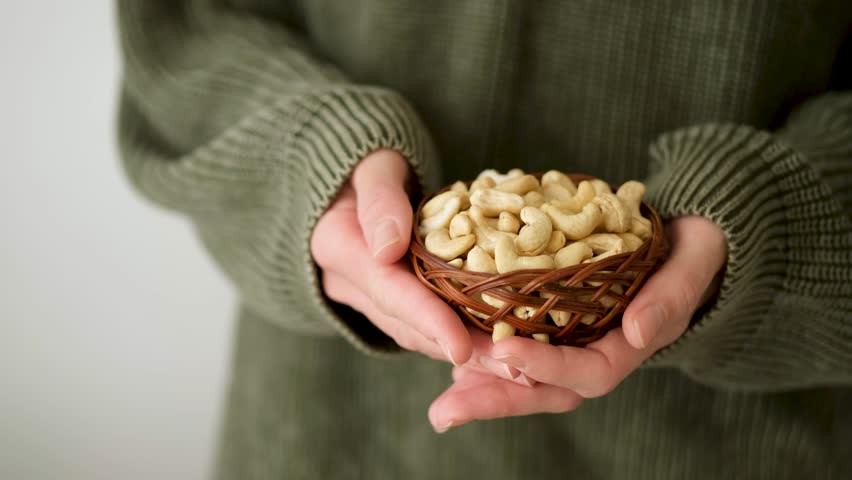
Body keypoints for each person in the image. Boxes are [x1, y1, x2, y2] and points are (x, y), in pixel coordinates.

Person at [116, 1, 852, 478]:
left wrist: (771, 218)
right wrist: (316, 155)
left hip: (735, 442)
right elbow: (186, 28)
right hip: (336, 433)